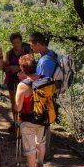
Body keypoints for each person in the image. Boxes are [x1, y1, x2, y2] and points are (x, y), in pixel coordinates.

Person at [14, 54, 45, 167]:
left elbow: (17, 107)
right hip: (42, 117)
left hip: (27, 120)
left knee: (30, 147)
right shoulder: (44, 79)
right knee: (40, 142)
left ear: (22, 68)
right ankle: (40, 165)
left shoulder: (23, 85)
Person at [29, 32, 56, 160]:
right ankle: (44, 152)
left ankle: (42, 155)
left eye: (32, 45)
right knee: (45, 124)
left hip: (44, 98)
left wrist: (26, 77)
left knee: (42, 125)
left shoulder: (45, 61)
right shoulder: (51, 55)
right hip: (49, 96)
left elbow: (41, 82)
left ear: (38, 44)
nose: (31, 48)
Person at [3, 32, 31, 132]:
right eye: (14, 42)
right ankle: (15, 123)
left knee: (25, 101)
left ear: (21, 41)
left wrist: (18, 67)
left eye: (18, 42)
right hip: (12, 79)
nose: (16, 44)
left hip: (25, 80)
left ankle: (24, 122)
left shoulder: (27, 51)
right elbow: (4, 68)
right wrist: (9, 68)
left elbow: (31, 65)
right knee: (14, 102)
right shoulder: (9, 53)